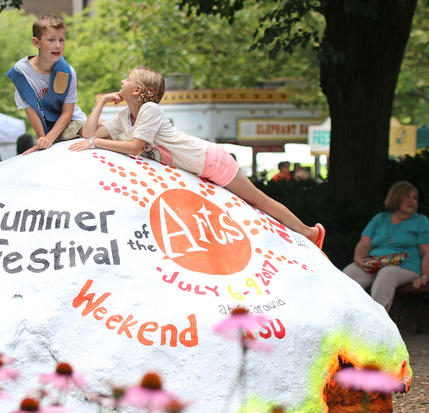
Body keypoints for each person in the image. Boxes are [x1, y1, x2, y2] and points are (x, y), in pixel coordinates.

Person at [68, 66, 325, 248]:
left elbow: (133, 147)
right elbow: (89, 132)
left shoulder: (150, 109)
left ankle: (309, 233)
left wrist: (94, 143)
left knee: (259, 201)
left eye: (127, 78)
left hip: (211, 159)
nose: (121, 82)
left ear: (138, 90)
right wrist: (100, 103)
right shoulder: (125, 116)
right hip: (198, 168)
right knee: (246, 208)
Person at [6, 14, 87, 155]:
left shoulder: (67, 71)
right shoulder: (21, 72)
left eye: (62, 40)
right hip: (49, 128)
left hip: (72, 122)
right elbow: (30, 108)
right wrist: (44, 138)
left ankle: (134, 152)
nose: (58, 45)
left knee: (103, 127)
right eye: (51, 40)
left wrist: (49, 138)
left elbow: (68, 112)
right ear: (36, 42)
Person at [343, 181, 429, 311]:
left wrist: (425, 276)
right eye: (408, 196)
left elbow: (426, 251)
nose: (412, 201)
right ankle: (343, 319)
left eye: (414, 198)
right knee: (350, 273)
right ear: (396, 197)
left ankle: (376, 326)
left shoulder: (420, 221)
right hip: (375, 262)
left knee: (386, 274)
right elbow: (364, 244)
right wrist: (359, 259)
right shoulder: (380, 219)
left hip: (405, 266)